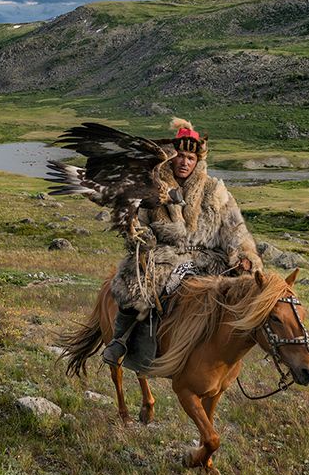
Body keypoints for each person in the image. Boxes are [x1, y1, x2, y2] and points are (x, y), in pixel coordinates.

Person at [102, 118, 263, 367]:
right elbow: (136, 221)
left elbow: (235, 228)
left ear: (198, 161)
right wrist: (144, 240)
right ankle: (121, 339)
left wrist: (244, 254)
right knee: (135, 284)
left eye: (190, 157)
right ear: (171, 156)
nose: (185, 162)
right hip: (165, 254)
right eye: (180, 155)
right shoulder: (152, 185)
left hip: (209, 257)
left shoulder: (216, 191)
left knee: (240, 294)